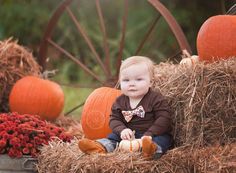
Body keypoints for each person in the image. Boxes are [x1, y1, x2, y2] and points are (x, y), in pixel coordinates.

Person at [78, 56, 173, 159]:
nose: (132, 84)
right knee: (113, 137)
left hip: (152, 135)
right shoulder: (119, 101)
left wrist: (150, 134)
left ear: (150, 82)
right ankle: (100, 147)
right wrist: (122, 130)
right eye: (126, 80)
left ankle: (151, 151)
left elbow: (164, 118)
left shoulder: (156, 99)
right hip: (128, 136)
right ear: (120, 82)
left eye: (139, 79)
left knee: (163, 139)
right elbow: (114, 119)